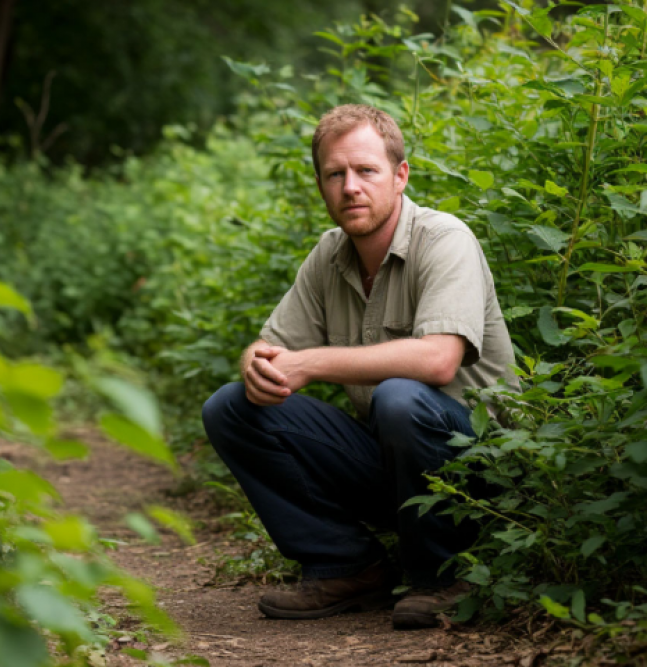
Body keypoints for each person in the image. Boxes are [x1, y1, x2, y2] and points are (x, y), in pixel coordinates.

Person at [202, 104, 517, 630]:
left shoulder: (445, 240)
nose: (351, 187)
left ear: (400, 176)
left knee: (399, 396)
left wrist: (312, 363)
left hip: (483, 474)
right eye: (335, 174)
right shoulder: (329, 255)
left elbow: (438, 361)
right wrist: (257, 365)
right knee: (231, 407)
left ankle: (445, 576)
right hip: (397, 462)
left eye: (366, 171)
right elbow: (270, 347)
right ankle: (349, 566)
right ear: (322, 185)